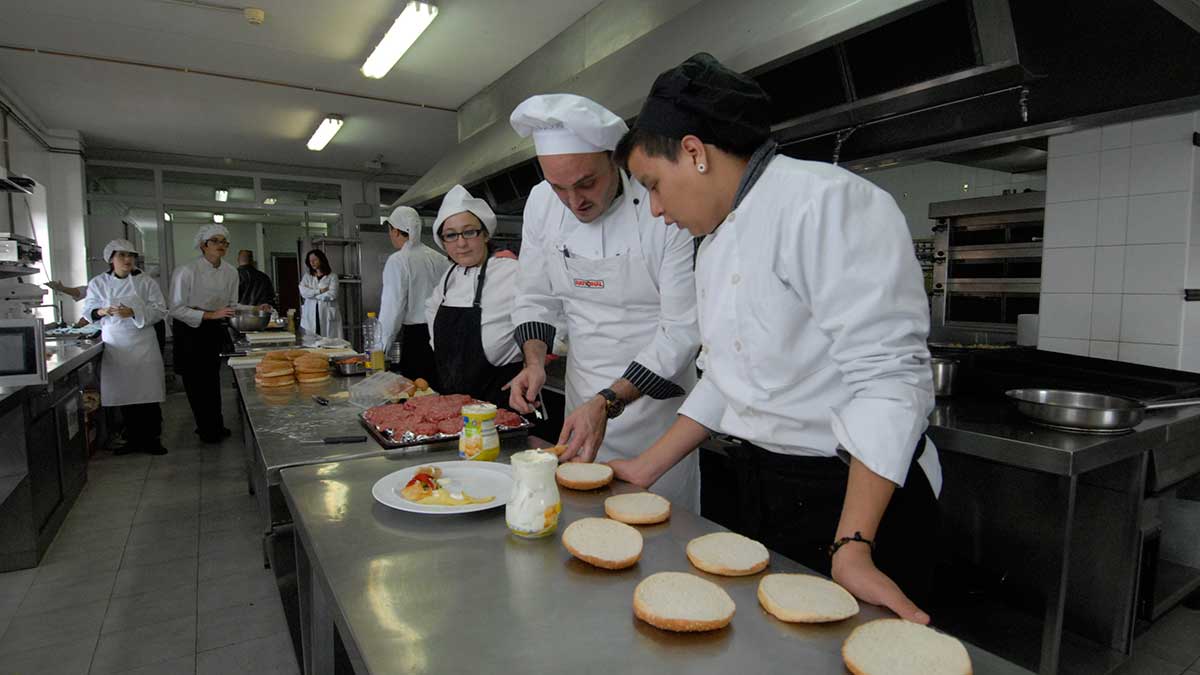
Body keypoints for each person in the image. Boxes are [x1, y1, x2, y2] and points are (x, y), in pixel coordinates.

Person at [610, 53, 940, 623]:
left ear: (694, 151)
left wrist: (853, 545)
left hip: (857, 497)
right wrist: (642, 468)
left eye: (653, 186)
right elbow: (726, 382)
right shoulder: (714, 243)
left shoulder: (827, 202)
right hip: (767, 486)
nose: (657, 209)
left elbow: (890, 381)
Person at [506, 93, 701, 510]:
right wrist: (534, 362)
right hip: (582, 404)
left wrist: (609, 401)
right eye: (559, 187)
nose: (574, 202)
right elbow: (535, 295)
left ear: (614, 159)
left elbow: (682, 329)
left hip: (657, 415)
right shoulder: (542, 204)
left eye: (586, 183)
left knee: (660, 532)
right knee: (584, 524)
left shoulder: (662, 205)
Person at [169, 223, 271, 443]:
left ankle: (215, 424)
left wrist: (255, 308)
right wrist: (210, 315)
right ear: (204, 245)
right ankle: (206, 428)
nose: (221, 245)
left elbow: (232, 304)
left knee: (212, 380)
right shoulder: (186, 271)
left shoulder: (230, 271)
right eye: (215, 241)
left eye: (224, 242)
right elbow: (176, 309)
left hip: (212, 331)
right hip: (189, 331)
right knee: (196, 383)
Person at [425, 185, 522, 406]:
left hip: (501, 401)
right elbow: (431, 312)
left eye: (469, 232)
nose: (461, 243)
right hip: (453, 404)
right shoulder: (448, 278)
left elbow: (549, 316)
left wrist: (533, 360)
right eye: (451, 235)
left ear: (485, 234)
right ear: (443, 241)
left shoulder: (510, 271)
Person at [82, 239, 168, 454]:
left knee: (148, 394)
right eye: (122, 255)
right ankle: (132, 440)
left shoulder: (146, 282)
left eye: (131, 255)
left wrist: (134, 313)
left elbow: (160, 310)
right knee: (126, 394)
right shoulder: (98, 283)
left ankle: (152, 439)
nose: (128, 259)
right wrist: (103, 311)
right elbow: (89, 310)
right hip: (116, 343)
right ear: (111, 259)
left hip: (143, 342)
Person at [376, 206, 448, 388]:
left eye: (390, 230)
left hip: (417, 338)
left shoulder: (398, 260)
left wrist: (380, 348)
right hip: (441, 334)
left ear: (395, 231)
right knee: (437, 389)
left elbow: (393, 307)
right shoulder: (439, 258)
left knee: (414, 392)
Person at [299, 249, 342, 340]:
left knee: (329, 342)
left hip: (327, 314)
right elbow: (303, 292)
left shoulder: (332, 276)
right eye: (310, 261)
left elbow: (332, 294)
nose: (312, 263)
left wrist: (311, 293)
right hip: (310, 314)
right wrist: (320, 291)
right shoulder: (307, 276)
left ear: (321, 260)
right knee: (311, 342)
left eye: (315, 260)